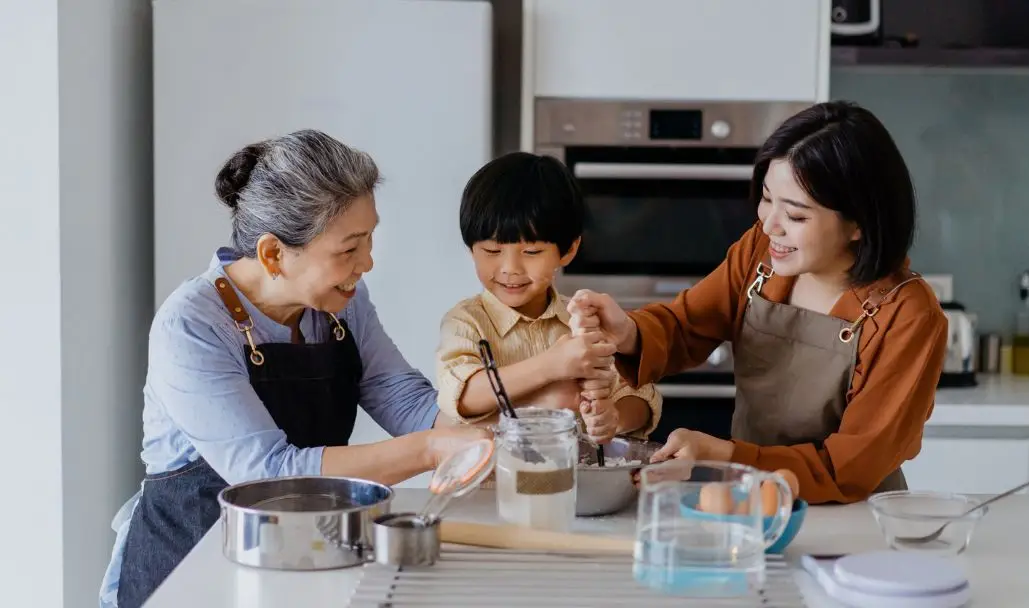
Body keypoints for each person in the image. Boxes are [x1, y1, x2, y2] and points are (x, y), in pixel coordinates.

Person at [100, 130, 489, 608]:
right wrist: (432, 448)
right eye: (348, 249)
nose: (366, 263)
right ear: (272, 253)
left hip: (301, 560)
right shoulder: (192, 325)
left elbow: (399, 395)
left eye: (369, 240)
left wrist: (492, 440)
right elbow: (268, 477)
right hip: (189, 574)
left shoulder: (342, 302)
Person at [568, 101, 948, 504]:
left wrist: (723, 453)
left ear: (858, 223)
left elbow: (849, 467)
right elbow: (686, 325)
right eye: (767, 199)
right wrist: (626, 330)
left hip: (851, 519)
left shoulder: (908, 315)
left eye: (797, 216)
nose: (769, 225)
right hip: (752, 502)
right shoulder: (762, 253)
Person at [435, 152, 661, 442]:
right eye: (492, 251)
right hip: (492, 482)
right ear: (471, 250)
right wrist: (552, 366)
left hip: (574, 480)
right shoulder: (465, 322)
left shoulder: (583, 318)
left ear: (568, 250)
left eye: (531, 252)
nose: (510, 269)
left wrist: (613, 417)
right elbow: (462, 395)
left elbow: (642, 396)